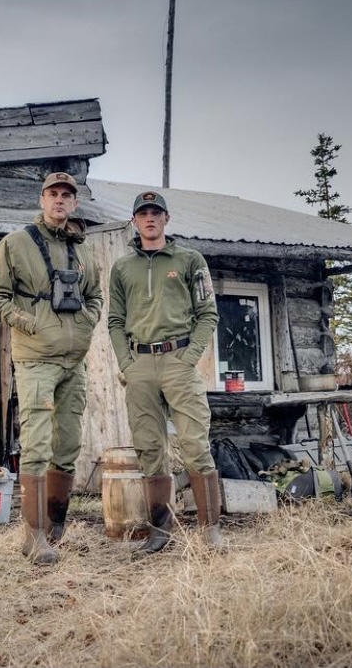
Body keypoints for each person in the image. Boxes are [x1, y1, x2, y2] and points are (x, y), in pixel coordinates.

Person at [0, 171, 103, 565]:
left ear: (74, 203)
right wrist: (28, 320)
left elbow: (95, 295)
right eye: (53, 194)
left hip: (74, 362)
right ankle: (31, 536)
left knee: (67, 446)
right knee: (36, 446)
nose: (60, 201)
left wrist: (87, 319)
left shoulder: (83, 250)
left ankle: (55, 528)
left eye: (67, 195)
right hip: (35, 360)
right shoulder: (15, 245)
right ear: (41, 199)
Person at [107, 190, 226, 556]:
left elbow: (208, 313)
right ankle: (160, 530)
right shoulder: (122, 268)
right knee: (148, 447)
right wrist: (127, 362)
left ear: (166, 219)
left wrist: (190, 357)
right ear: (135, 221)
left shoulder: (190, 260)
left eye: (156, 213)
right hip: (139, 364)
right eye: (143, 213)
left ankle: (210, 530)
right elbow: (114, 320)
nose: (149, 219)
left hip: (178, 360)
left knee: (194, 443)